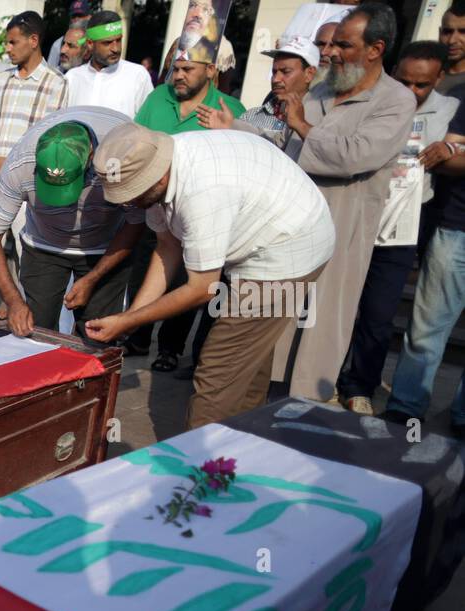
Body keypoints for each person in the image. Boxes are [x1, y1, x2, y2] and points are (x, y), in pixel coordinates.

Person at [87, 125, 333, 426]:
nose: (130, 204)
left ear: (159, 177)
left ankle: (202, 466)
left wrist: (128, 321)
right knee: (246, 360)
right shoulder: (156, 166)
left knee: (217, 371)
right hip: (267, 228)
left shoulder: (202, 190)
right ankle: (242, 441)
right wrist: (130, 319)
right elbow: (167, 248)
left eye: (133, 195)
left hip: (290, 246)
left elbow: (202, 288)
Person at [269, 3, 415, 403]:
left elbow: (355, 156)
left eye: (343, 45)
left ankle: (304, 410)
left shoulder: (396, 101)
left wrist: (300, 124)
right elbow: (280, 141)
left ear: (375, 49)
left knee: (322, 329)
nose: (330, 53)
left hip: (342, 234)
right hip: (289, 230)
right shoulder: (318, 90)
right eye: (329, 45)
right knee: (272, 323)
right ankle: (261, 400)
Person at [336, 43, 460, 414]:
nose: (410, 92)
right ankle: (318, 374)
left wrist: (449, 152)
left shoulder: (452, 111)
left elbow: (457, 151)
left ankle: (359, 385)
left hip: (406, 224)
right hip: (356, 211)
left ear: (439, 80)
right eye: (403, 81)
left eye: (421, 85)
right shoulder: (370, 99)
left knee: (379, 312)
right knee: (336, 303)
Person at [127, 37, 246, 371]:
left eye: (187, 69)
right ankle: (135, 333)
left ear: (210, 70)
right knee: (149, 267)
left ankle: (170, 348)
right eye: (175, 68)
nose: (178, 75)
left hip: (202, 215)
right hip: (155, 204)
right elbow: (136, 138)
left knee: (188, 281)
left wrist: (227, 131)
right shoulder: (157, 97)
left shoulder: (229, 110)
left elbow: (239, 163)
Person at [0, 108, 146, 346]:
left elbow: (136, 222)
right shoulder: (21, 164)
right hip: (44, 246)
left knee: (96, 338)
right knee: (33, 335)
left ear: (90, 156)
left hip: (106, 248)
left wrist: (93, 277)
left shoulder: (122, 156)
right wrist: (13, 300)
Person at [0, 11, 67, 323]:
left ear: (34, 41)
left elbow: (50, 137)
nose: (8, 49)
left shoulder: (57, 84)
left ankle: (27, 315)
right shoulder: (1, 79)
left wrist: (9, 171)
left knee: (29, 250)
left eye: (13, 42)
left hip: (30, 183)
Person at [383, 85, 465, 437]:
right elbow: (448, 157)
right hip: (457, 228)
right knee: (427, 328)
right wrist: (452, 150)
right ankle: (405, 410)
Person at [223, 35, 318, 160]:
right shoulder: (251, 116)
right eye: (274, 72)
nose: (276, 79)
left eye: (286, 71)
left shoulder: (321, 120)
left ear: (309, 74)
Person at [65, 11, 152, 118]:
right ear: (90, 44)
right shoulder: (72, 78)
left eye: (118, 40)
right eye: (107, 43)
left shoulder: (138, 76)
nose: (116, 49)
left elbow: (148, 124)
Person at [47, 0, 91, 76]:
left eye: (80, 15)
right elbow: (50, 72)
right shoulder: (58, 43)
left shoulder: (97, 43)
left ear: (89, 17)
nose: (76, 19)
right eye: (73, 16)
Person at [440, 1, 465, 94]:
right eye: (447, 32)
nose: (452, 40)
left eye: (463, 32)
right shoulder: (425, 72)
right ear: (440, 33)